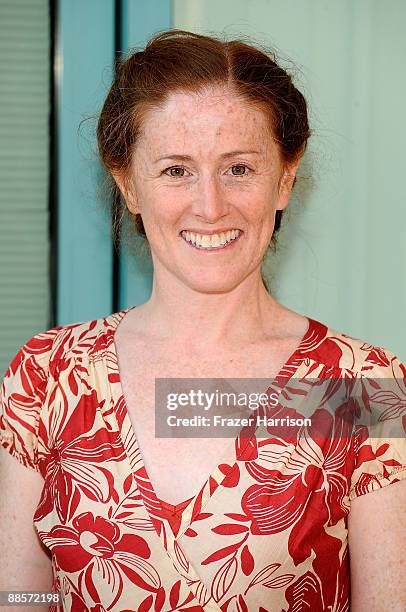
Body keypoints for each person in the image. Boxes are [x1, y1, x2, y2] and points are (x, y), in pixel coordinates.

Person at [0, 28, 405, 612]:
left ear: (286, 178)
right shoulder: (45, 377)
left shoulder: (362, 389)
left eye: (239, 168)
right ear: (127, 185)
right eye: (175, 170)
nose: (210, 206)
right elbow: (18, 596)